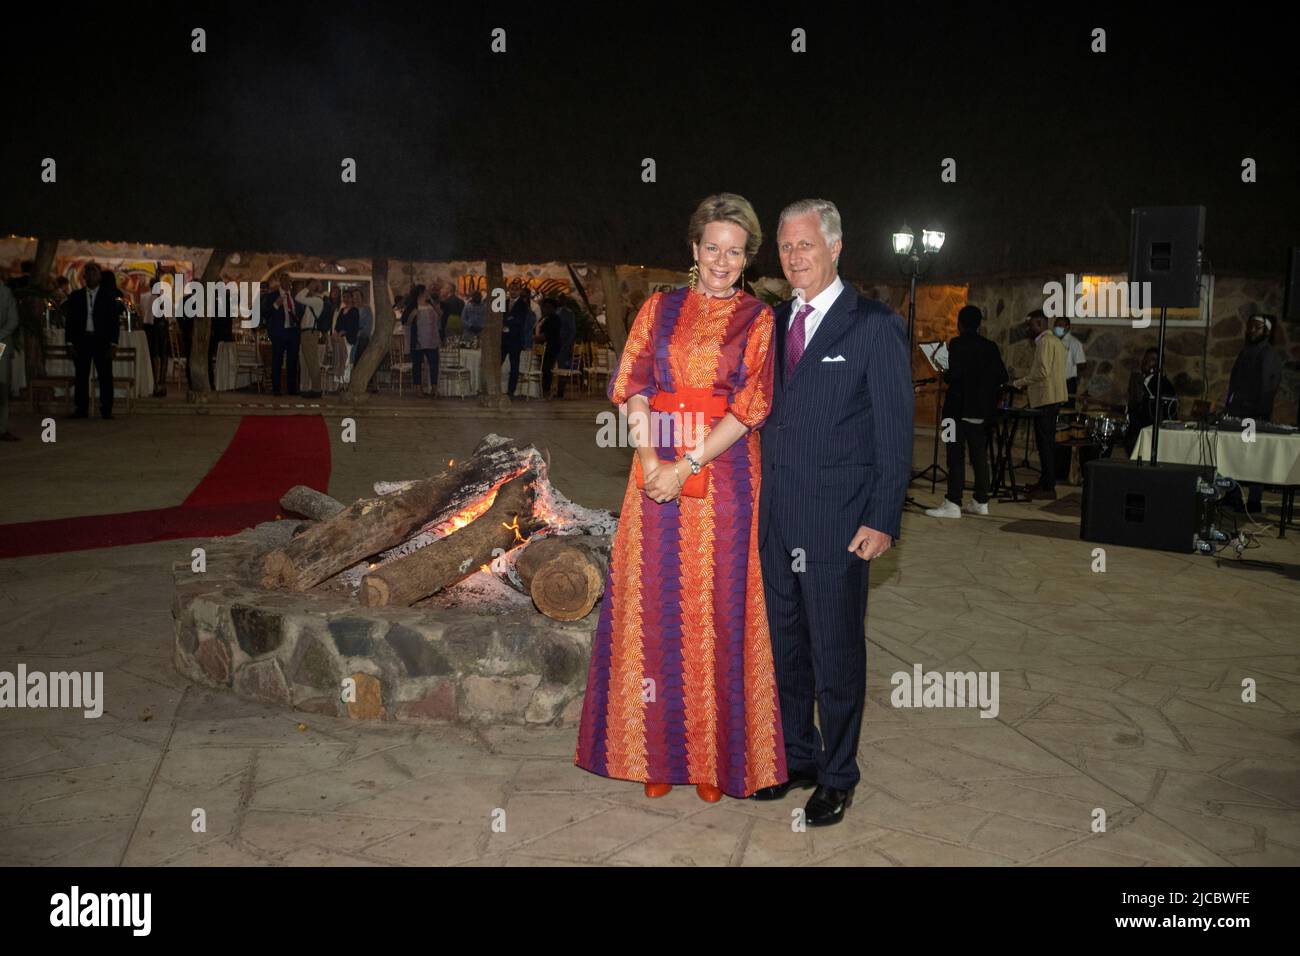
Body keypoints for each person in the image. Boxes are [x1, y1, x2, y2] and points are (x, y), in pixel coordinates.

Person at [576, 192, 785, 803]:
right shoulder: (658, 308)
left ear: (747, 259)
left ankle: (714, 760)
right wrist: (650, 463)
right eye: (713, 248)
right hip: (655, 467)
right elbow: (633, 383)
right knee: (655, 611)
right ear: (694, 250)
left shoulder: (759, 319)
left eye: (736, 252)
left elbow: (751, 406)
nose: (723, 261)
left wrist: (689, 461)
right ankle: (657, 754)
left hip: (725, 477)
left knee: (719, 612)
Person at [751, 198, 913, 827]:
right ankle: (798, 757)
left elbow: (895, 433)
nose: (794, 257)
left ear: (836, 247)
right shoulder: (769, 324)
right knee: (786, 645)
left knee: (836, 653)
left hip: (840, 522)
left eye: (806, 245)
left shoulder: (873, 324)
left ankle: (840, 774)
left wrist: (882, 517)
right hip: (776, 518)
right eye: (786, 247)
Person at [926, 304, 1007, 518]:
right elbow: (1002, 376)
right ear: (979, 324)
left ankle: (953, 502)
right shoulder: (990, 346)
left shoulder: (957, 344)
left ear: (959, 324)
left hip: (956, 410)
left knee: (955, 454)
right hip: (980, 412)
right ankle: (981, 501)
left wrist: (944, 371)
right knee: (979, 456)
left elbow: (955, 376)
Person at [1224, 314, 1285, 513]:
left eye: (1257, 327)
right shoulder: (1246, 352)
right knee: (1234, 454)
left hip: (1253, 416)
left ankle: (1254, 500)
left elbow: (1268, 386)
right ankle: (1233, 495)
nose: (1251, 330)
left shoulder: (1268, 354)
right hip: (1237, 413)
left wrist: (1259, 414)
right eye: (1250, 327)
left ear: (1266, 331)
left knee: (1253, 457)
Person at [1012, 308, 1068, 499]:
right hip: (1053, 397)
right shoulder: (1056, 341)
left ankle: (1048, 488)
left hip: (1046, 398)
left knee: (1045, 445)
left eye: (1031, 325)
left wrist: (1018, 383)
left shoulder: (1045, 342)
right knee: (1047, 444)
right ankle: (1045, 483)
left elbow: (1042, 372)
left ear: (1040, 324)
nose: (1028, 329)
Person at [64, 263, 122, 419]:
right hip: (82, 341)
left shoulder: (108, 296)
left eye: (94, 273)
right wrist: (69, 343)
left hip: (101, 341)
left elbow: (114, 322)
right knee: (81, 375)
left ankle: (106, 409)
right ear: (84, 277)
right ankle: (81, 408)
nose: (90, 276)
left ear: (99, 277)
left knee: (105, 376)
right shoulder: (76, 296)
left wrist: (113, 344)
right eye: (88, 273)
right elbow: (70, 322)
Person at [1123, 347, 1176, 457]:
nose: (1147, 361)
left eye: (1152, 359)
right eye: (1146, 358)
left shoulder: (1161, 382)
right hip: (1136, 429)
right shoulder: (1142, 379)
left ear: (1159, 364)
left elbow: (1156, 410)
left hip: (1149, 432)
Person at [263, 274, 299, 396]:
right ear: (281, 281)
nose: (289, 284)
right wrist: (276, 305)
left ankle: (292, 389)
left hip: (293, 332)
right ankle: (276, 388)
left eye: (290, 282)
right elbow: (266, 314)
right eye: (286, 281)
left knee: (292, 361)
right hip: (279, 333)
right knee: (277, 360)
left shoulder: (293, 296)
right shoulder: (272, 296)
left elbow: (297, 312)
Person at [296, 279, 325, 398]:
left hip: (310, 333)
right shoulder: (313, 301)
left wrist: (308, 288)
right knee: (304, 361)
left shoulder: (317, 301)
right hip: (305, 333)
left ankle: (317, 389)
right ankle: (306, 387)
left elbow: (298, 297)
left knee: (312, 361)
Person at [0, 280, 20, 440]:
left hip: (1, 345)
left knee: (2, 387)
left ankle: (1, 428)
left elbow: (13, 320)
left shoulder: (5, 293)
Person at [537, 297, 567, 399]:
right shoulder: (543, 318)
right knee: (544, 368)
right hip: (542, 347)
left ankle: (546, 390)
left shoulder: (554, 318)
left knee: (547, 368)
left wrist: (537, 338)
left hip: (551, 346)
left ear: (553, 308)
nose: (545, 309)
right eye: (544, 307)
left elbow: (549, 333)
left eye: (548, 307)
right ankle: (542, 390)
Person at [413, 289, 441, 395]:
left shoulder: (432, 305)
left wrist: (433, 304)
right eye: (425, 293)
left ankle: (434, 388)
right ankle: (418, 388)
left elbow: (440, 315)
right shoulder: (416, 306)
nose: (427, 295)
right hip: (419, 339)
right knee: (418, 365)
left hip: (432, 339)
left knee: (434, 364)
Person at [1055, 316, 1087, 407]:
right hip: (1053, 383)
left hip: (1067, 383)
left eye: (1060, 325)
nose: (1057, 327)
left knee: (1066, 410)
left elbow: (1082, 364)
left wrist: (1072, 375)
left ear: (1067, 327)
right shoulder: (1052, 341)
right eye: (1056, 325)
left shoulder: (1074, 343)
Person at [503, 288, 529, 398]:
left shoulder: (523, 304)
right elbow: (500, 316)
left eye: (516, 289)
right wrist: (507, 320)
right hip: (503, 340)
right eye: (511, 289)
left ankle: (511, 392)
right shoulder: (505, 302)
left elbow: (520, 320)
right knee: (497, 362)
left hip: (515, 340)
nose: (513, 291)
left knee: (514, 367)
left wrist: (507, 321)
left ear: (519, 291)